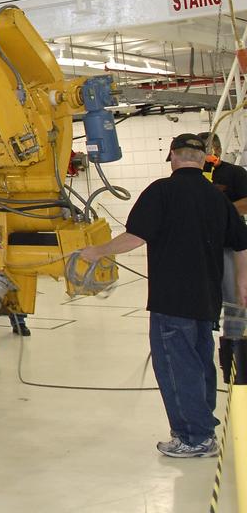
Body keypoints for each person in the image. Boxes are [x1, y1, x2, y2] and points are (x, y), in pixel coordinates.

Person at [81, 133, 247, 458]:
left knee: (176, 367)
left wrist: (97, 251)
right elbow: (242, 244)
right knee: (200, 365)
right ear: (203, 161)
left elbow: (135, 237)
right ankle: (203, 427)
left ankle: (193, 437)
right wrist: (242, 284)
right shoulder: (217, 199)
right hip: (208, 300)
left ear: (172, 157)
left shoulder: (161, 191)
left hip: (172, 301)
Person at [201, 133, 247, 338]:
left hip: (229, 246)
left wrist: (223, 210)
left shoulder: (234, 173)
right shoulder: (193, 176)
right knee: (200, 297)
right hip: (200, 247)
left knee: (234, 297)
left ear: (217, 150)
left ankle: (234, 342)